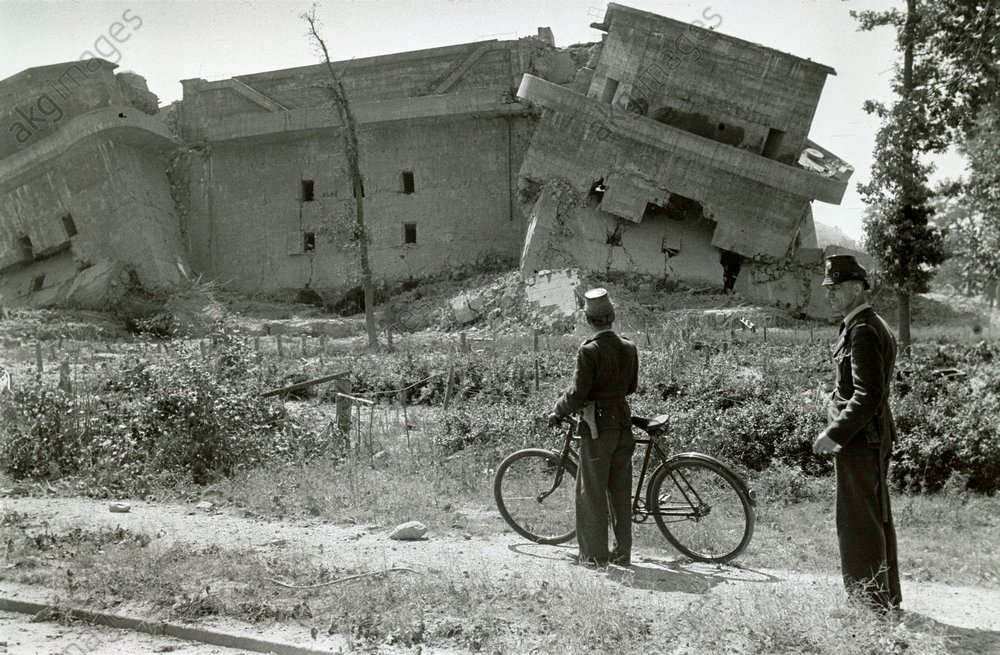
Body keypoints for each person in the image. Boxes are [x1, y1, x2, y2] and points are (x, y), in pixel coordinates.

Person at [812, 254, 902, 613]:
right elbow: (859, 390)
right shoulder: (864, 324)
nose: (829, 295)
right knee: (873, 516)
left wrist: (834, 433)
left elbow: (867, 396)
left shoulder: (863, 330)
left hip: (861, 439)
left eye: (835, 288)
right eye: (828, 289)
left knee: (856, 521)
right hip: (871, 436)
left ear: (855, 288)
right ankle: (884, 597)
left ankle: (868, 603)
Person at [548, 288, 638, 567]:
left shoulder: (589, 350)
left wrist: (558, 410)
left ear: (589, 320)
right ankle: (622, 554)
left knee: (592, 491)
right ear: (612, 317)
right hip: (624, 423)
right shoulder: (628, 346)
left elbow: (577, 395)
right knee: (621, 492)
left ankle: (593, 556)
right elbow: (631, 387)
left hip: (598, 428)